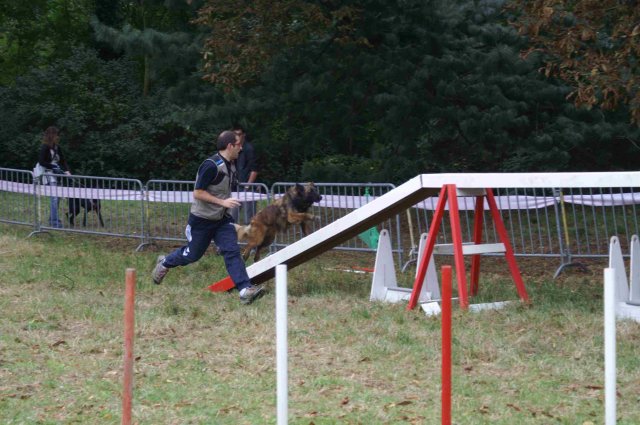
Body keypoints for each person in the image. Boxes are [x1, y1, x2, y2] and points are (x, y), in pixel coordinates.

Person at [151, 130, 265, 305]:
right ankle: (166, 262)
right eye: (238, 145)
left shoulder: (231, 165)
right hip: (201, 221)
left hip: (221, 220)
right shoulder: (211, 165)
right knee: (192, 255)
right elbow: (197, 192)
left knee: (232, 250)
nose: (241, 148)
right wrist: (223, 202)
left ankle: (244, 290)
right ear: (229, 146)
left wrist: (224, 206)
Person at [37, 126, 71, 228]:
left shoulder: (57, 147)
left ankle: (52, 220)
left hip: (56, 175)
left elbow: (63, 160)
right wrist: (53, 167)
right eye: (57, 135)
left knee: (57, 198)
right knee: (55, 198)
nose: (58, 137)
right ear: (52, 135)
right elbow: (41, 162)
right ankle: (55, 222)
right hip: (48, 175)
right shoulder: (45, 147)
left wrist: (67, 170)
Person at [230, 124, 259, 224]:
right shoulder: (232, 148)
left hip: (247, 188)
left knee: (249, 218)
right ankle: (232, 238)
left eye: (239, 134)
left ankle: (251, 239)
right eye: (235, 134)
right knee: (232, 216)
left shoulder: (249, 149)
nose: (237, 136)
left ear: (244, 135)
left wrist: (248, 186)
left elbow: (254, 169)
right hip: (236, 187)